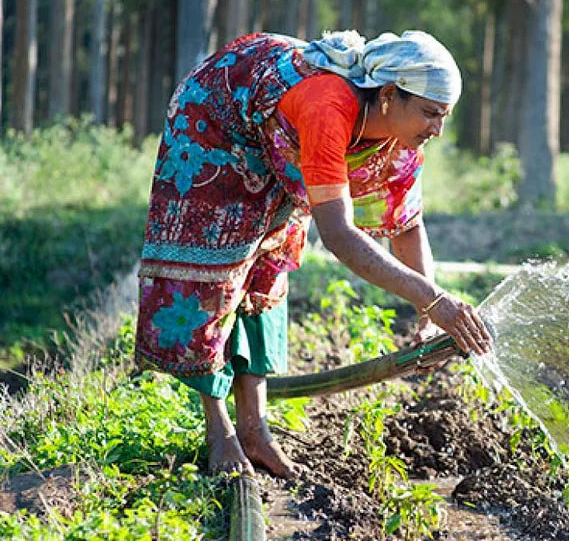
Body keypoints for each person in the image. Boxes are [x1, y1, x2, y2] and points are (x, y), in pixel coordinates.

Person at [134, 29, 494, 479]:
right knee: (215, 269)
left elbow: (406, 223)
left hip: (278, 136)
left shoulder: (401, 143)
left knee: (270, 265)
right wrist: (433, 299)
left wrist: (426, 313)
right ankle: (220, 430)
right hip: (217, 120)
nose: (436, 130)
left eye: (444, 117)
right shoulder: (329, 106)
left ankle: (255, 428)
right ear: (387, 95)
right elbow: (340, 236)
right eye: (429, 114)